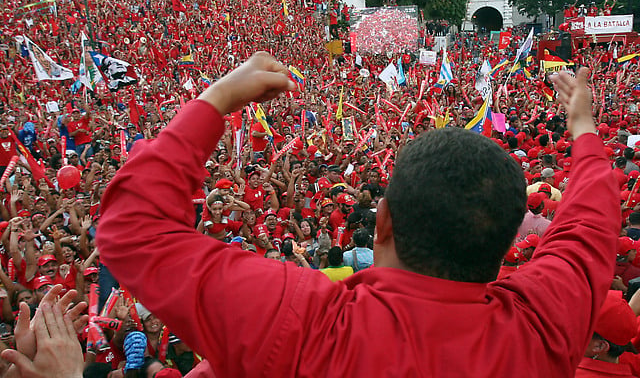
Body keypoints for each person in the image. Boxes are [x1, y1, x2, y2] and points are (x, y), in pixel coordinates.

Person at [97, 54, 618, 377]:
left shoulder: (305, 324)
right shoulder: (544, 325)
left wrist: (215, 98)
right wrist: (584, 128)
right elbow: (588, 229)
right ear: (507, 243)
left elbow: (130, 229)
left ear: (383, 220)